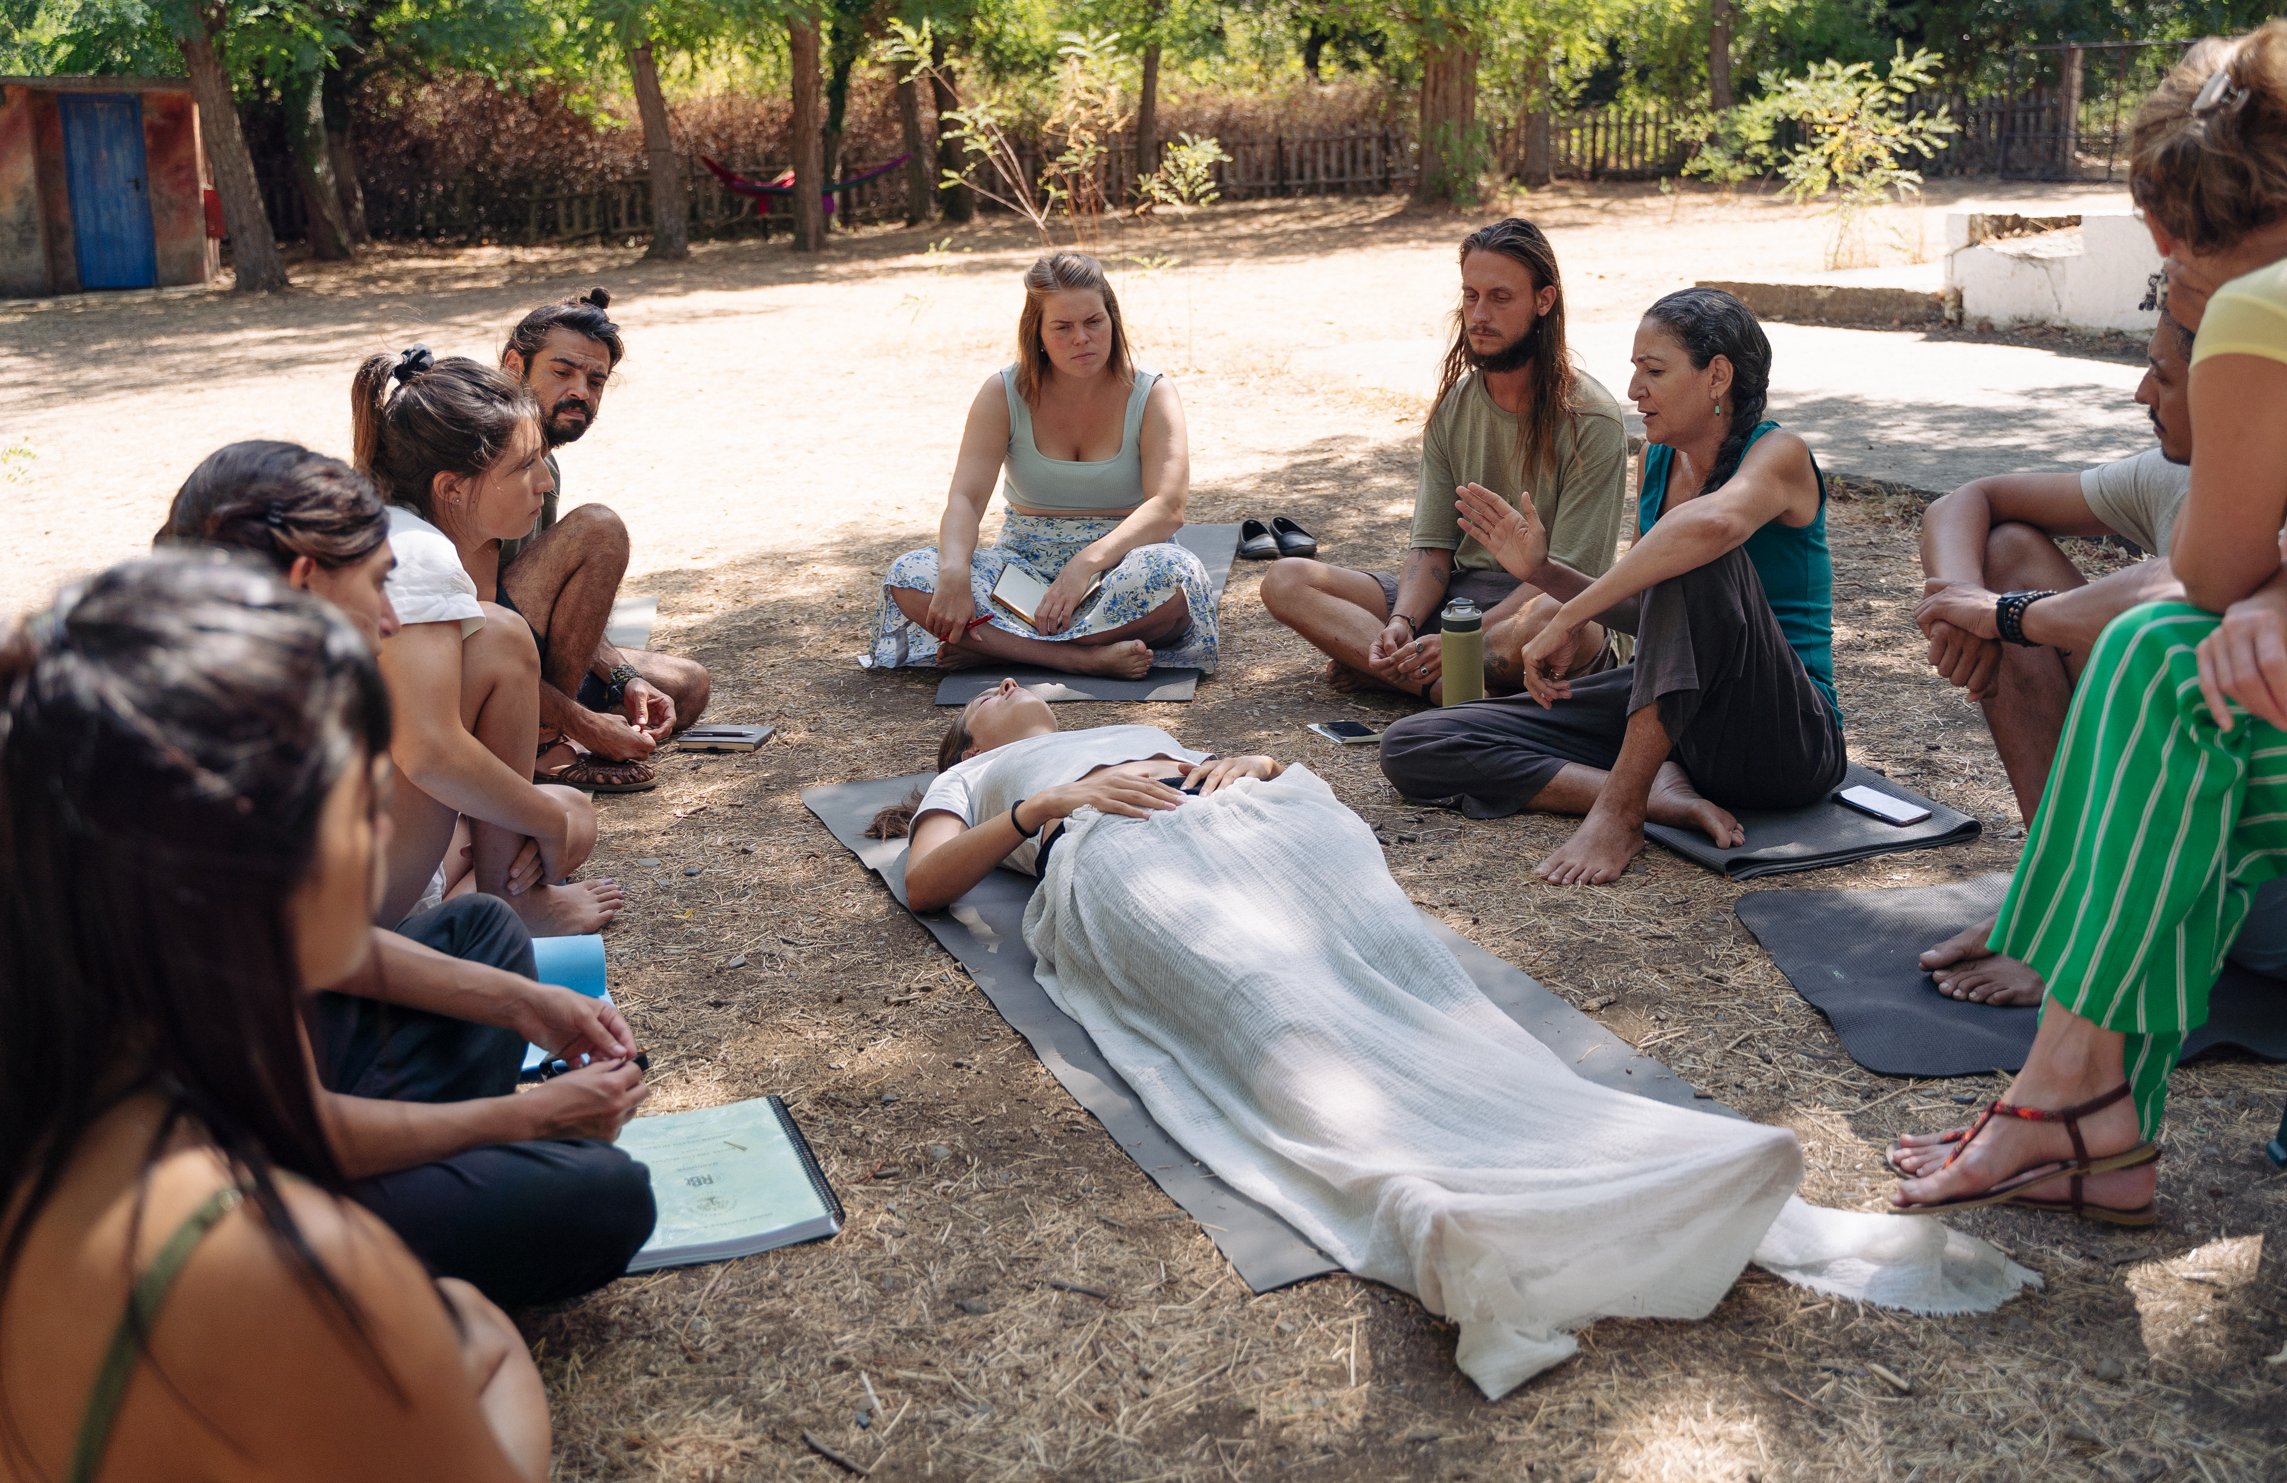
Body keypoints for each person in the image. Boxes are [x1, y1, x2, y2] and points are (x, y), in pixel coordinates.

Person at [866, 685, 2032, 1400]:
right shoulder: (973, 773)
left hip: (1259, 816)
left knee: (1410, 984)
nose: (1011, 686)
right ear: (966, 739)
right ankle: (1426, 1196)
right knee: (1269, 1001)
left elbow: (1251, 767)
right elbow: (926, 881)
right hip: (1120, 850)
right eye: (990, 694)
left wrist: (1254, 763)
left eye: (1020, 683)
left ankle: (1613, 1147)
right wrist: (1044, 805)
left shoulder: (1130, 718)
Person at [1889, 21, 2287, 1229]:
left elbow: (2207, 574)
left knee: (2169, 744)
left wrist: (2247, 603)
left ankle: (2075, 1105)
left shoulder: (2261, 319)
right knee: (2161, 676)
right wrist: (2275, 608)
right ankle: (2081, 1104)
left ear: (2160, 232)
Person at [0, 558, 556, 1481]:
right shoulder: (292, 1268)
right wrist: (492, 1356)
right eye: (365, 801)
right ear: (255, 864)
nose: (387, 832)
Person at [158, 442, 657, 1307]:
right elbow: (293, 1122)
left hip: (286, 1095)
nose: (392, 621)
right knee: (607, 1196)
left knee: (484, 932)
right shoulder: (210, 772)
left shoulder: (268, 712)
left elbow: (319, 945)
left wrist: (527, 1004)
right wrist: (530, 1115)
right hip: (228, 1180)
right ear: (308, 581)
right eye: (380, 586)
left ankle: (425, 1159)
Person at [1905, 321, 2287, 1004]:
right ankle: (2059, 895)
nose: (2141, 392)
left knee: (2164, 645)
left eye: (2162, 377)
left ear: (2229, 391)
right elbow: (1967, 500)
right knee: (2009, 552)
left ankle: (2086, 926)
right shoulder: (2177, 477)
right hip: (2201, 858)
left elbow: (2186, 590)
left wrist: (2006, 616)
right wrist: (1963, 604)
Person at [1380, 288, 1842, 885]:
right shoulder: (1658, 460)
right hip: (1681, 722)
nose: (1633, 390)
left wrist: (1566, 617)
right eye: (1634, 370)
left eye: (1654, 371)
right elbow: (1655, 610)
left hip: (1785, 738)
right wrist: (1541, 572)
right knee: (1417, 742)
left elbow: (1712, 529)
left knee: (1690, 547)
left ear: (1717, 376)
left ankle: (1620, 811)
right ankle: (1658, 797)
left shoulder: (1779, 453)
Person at [1261, 217, 1628, 702]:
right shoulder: (1454, 406)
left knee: (1549, 622)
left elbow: (1569, 581)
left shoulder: (1592, 419)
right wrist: (1402, 621)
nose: (1479, 315)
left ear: (1544, 301)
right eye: (1470, 296)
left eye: (1500, 297)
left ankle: (1422, 680)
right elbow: (1432, 548)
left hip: (1542, 607)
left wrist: (1466, 638)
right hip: (1458, 603)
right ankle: (1444, 686)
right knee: (1286, 579)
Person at [352, 347, 624, 936]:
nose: (545, 481)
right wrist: (541, 822)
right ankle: (503, 904)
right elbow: (428, 751)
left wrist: (537, 816)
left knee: (573, 811)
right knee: (502, 638)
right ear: (451, 487)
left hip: (363, 842)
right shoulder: (416, 554)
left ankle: (488, 897)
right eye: (525, 466)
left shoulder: (395, 527)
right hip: (345, 895)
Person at [869, 250, 1218, 677]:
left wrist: (1084, 565)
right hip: (1022, 570)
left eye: (1094, 322)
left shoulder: (1152, 392)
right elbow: (965, 499)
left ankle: (1001, 647)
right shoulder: (1002, 393)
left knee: (1176, 576)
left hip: (1120, 563)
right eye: (1062, 327)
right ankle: (1080, 658)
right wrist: (954, 572)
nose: (1081, 338)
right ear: (1036, 332)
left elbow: (1168, 507)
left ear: (1112, 319)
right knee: (910, 575)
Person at [490, 290, 711, 794]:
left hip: (521, 650)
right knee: (599, 528)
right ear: (514, 367)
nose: (581, 393)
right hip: (467, 665)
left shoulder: (542, 462)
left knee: (686, 686)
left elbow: (558, 605)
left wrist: (625, 679)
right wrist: (581, 722)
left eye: (596, 381)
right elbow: (474, 639)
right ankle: (541, 743)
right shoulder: (481, 457)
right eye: (561, 372)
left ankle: (553, 718)